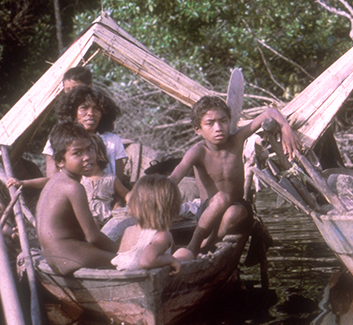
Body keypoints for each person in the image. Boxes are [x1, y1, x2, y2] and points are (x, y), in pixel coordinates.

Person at [168, 96, 301, 261]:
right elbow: (174, 177)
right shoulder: (197, 151)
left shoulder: (236, 139)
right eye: (210, 123)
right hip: (208, 214)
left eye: (223, 121)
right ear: (198, 129)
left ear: (229, 122)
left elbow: (270, 112)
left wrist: (286, 128)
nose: (218, 128)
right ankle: (195, 245)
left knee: (232, 211)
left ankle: (205, 244)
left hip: (238, 211)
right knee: (221, 198)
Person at [36, 122, 118, 275]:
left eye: (90, 149)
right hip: (69, 257)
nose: (87, 157)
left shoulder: (55, 181)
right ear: (60, 161)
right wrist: (122, 252)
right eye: (77, 153)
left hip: (54, 257)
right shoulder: (73, 187)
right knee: (127, 261)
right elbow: (93, 237)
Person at [11, 84, 128, 189]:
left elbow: (119, 180)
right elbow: (53, 181)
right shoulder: (59, 139)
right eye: (84, 108)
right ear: (73, 111)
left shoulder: (112, 140)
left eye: (97, 109)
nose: (91, 113)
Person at [111, 174, 181, 272]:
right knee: (185, 253)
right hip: (143, 278)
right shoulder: (162, 235)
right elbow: (146, 261)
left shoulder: (129, 230)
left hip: (123, 273)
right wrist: (171, 260)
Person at [83, 134, 130, 227]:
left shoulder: (110, 178)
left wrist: (131, 201)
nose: (86, 157)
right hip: (85, 221)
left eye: (89, 152)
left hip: (106, 220)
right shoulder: (79, 178)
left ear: (99, 154)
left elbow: (125, 193)